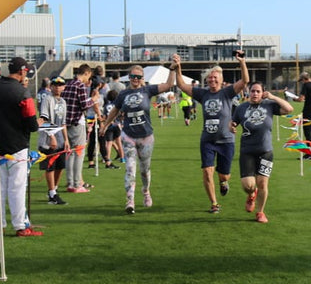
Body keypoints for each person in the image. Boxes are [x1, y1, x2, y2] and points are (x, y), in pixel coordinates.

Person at [172, 51, 249, 214]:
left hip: (226, 140)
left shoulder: (227, 92)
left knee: (224, 175)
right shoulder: (202, 93)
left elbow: (245, 81)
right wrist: (178, 68)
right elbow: (181, 85)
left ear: (221, 80)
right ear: (206, 80)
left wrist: (242, 62)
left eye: (216, 78)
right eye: (210, 78)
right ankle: (214, 204)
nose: (212, 80)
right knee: (207, 172)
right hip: (207, 140)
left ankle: (223, 182)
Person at [102, 64, 176, 213]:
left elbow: (168, 85)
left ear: (143, 78)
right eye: (133, 76)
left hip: (146, 137)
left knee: (144, 170)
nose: (135, 79)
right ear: (129, 77)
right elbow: (115, 111)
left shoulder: (148, 90)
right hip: (128, 136)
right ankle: (130, 201)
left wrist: (173, 69)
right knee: (130, 169)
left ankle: (146, 191)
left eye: (138, 77)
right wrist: (104, 125)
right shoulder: (123, 94)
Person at [0, 56, 42, 236]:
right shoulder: (22, 93)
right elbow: (32, 125)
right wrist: (38, 122)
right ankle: (20, 226)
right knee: (17, 188)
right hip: (17, 145)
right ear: (22, 71)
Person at [231, 82, 293, 223]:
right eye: (252, 91)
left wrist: (272, 97)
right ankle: (252, 194)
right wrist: (232, 127)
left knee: (263, 183)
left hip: (265, 151)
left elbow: (289, 109)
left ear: (263, 93)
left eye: (258, 91)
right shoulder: (241, 108)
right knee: (248, 185)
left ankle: (260, 212)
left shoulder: (269, 105)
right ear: (249, 92)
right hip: (247, 151)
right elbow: (233, 122)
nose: (255, 94)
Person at [61, 63, 99, 193]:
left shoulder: (68, 85)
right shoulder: (80, 86)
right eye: (89, 76)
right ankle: (77, 184)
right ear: (87, 73)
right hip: (77, 123)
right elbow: (84, 105)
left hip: (67, 124)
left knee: (70, 154)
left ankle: (71, 183)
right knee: (79, 154)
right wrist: (93, 99)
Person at [38, 76, 70, 205]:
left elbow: (63, 123)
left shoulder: (63, 101)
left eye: (60, 85)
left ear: (64, 87)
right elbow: (44, 119)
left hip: (61, 139)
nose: (57, 87)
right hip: (48, 140)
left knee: (60, 166)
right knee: (50, 166)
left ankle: (54, 190)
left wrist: (66, 140)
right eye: (55, 84)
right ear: (51, 86)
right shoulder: (47, 99)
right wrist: (51, 137)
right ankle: (52, 193)